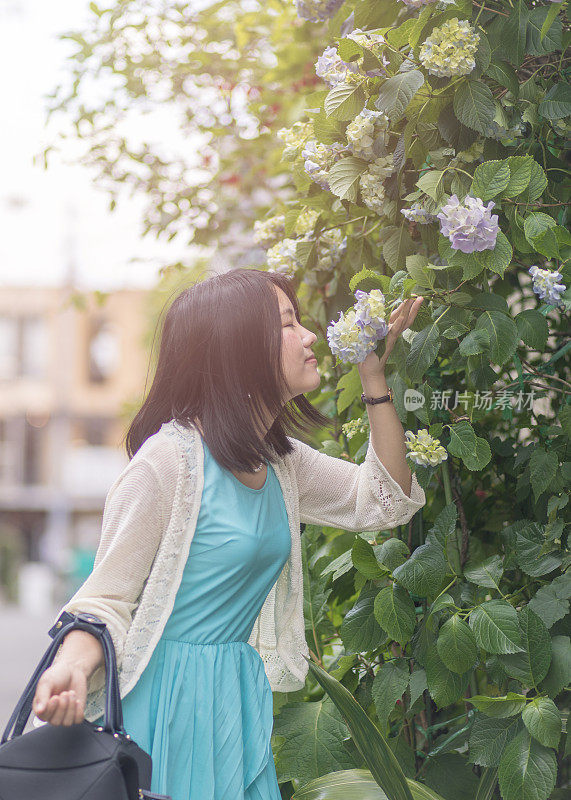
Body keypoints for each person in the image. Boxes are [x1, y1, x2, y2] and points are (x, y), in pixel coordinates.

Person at [32, 267, 425, 800]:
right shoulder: (169, 462)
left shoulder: (280, 461)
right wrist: (71, 668)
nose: (309, 336)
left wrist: (374, 379)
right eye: (289, 324)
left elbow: (383, 501)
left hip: (234, 698)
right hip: (164, 704)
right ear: (241, 347)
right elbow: (104, 599)